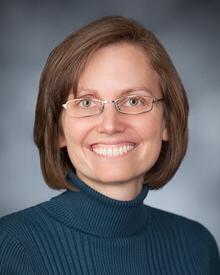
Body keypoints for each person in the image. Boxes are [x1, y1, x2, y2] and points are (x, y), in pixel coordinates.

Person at [0, 15, 219, 274]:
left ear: (167, 123)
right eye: (86, 103)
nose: (110, 125)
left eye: (134, 101)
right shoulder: (13, 247)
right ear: (59, 130)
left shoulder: (196, 246)